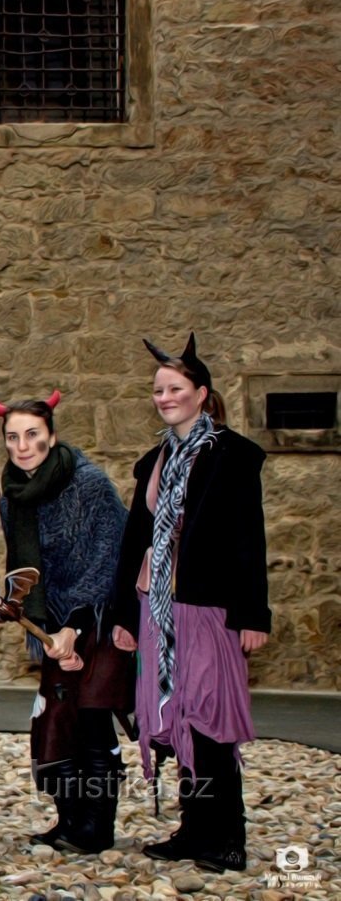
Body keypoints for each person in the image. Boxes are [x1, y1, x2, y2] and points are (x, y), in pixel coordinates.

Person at [111, 335, 269, 874]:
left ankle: (228, 835)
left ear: (202, 393)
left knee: (209, 717)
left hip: (208, 607)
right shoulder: (155, 461)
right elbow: (135, 539)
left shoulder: (231, 456)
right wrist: (124, 617)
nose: (165, 396)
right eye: (158, 389)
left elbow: (250, 538)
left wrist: (252, 615)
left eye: (175, 388)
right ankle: (194, 827)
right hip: (158, 606)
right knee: (175, 718)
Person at [0, 391, 131, 854]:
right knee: (58, 718)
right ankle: (69, 819)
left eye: (32, 434)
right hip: (52, 625)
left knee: (91, 716)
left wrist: (74, 624)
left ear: (51, 434)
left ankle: (97, 825)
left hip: (99, 615)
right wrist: (23, 607)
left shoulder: (88, 484)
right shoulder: (12, 496)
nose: (22, 445)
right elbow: (25, 563)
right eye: (12, 437)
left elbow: (110, 555)